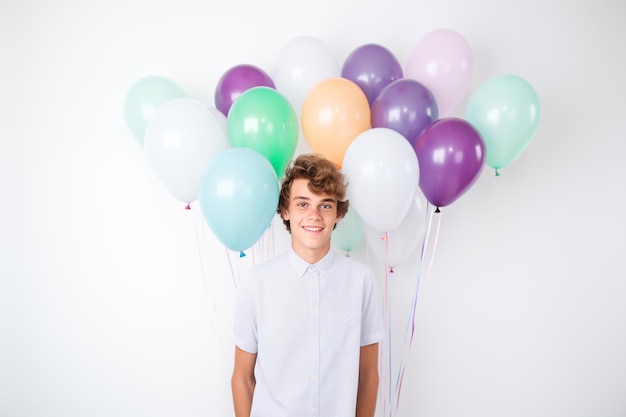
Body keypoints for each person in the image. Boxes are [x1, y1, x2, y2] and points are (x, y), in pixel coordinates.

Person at [231, 153, 385, 417]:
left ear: (338, 214)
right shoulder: (257, 283)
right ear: (285, 210)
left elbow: (368, 377)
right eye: (303, 204)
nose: (314, 215)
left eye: (325, 205)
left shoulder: (361, 282)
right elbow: (242, 378)